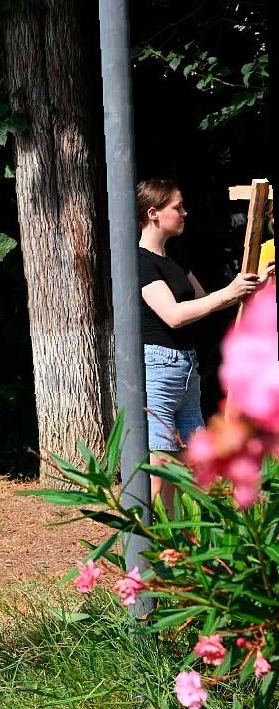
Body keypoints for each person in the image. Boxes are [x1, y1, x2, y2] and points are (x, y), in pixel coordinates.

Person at [136, 179, 264, 512]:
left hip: (185, 370)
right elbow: (174, 315)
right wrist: (229, 293)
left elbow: (205, 301)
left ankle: (177, 540)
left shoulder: (174, 259)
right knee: (159, 470)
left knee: (189, 467)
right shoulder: (140, 263)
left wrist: (249, 286)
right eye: (177, 207)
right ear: (153, 213)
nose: (184, 213)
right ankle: (142, 542)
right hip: (158, 371)